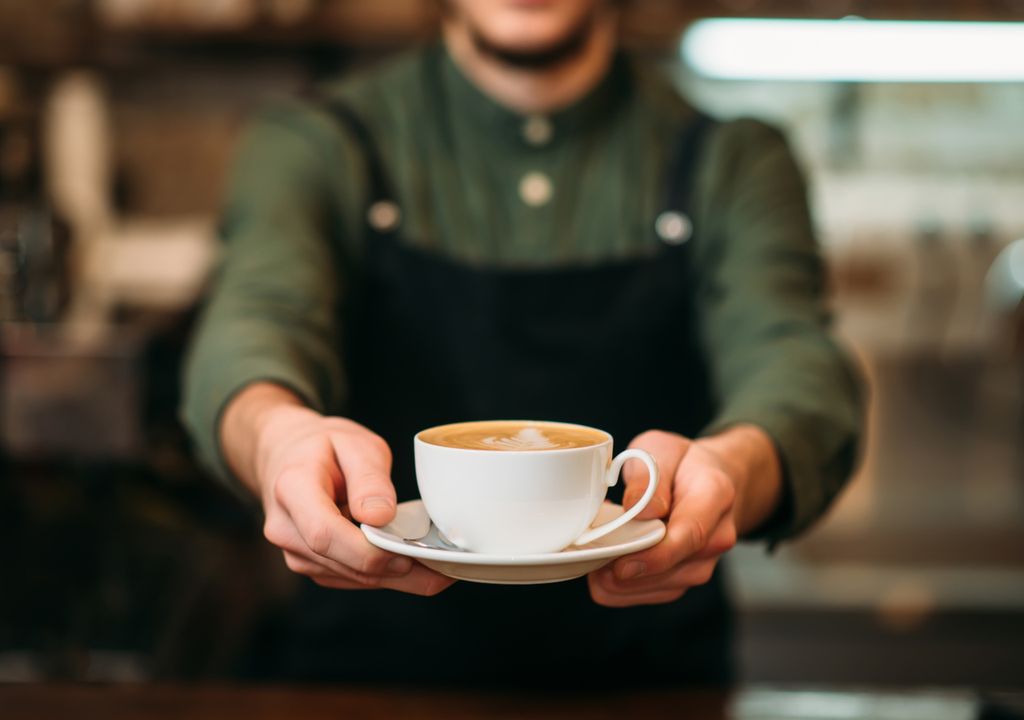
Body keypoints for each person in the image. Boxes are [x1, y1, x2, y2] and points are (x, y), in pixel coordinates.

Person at [182, 0, 863, 687]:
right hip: (371, 678)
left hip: (650, 680)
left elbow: (794, 361)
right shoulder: (315, 143)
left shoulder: (733, 156)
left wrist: (736, 468)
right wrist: (276, 438)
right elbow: (253, 322)